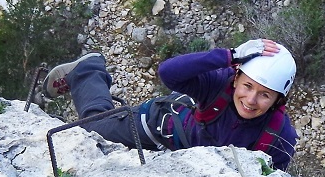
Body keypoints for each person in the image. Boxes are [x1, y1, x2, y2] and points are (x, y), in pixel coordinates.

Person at [45, 39, 299, 170]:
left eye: (265, 95)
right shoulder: (219, 83)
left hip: (187, 160)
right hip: (160, 128)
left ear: (279, 100)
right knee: (93, 127)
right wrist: (229, 55)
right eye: (247, 86)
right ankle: (88, 71)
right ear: (236, 78)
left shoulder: (279, 136)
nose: (251, 100)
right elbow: (169, 72)